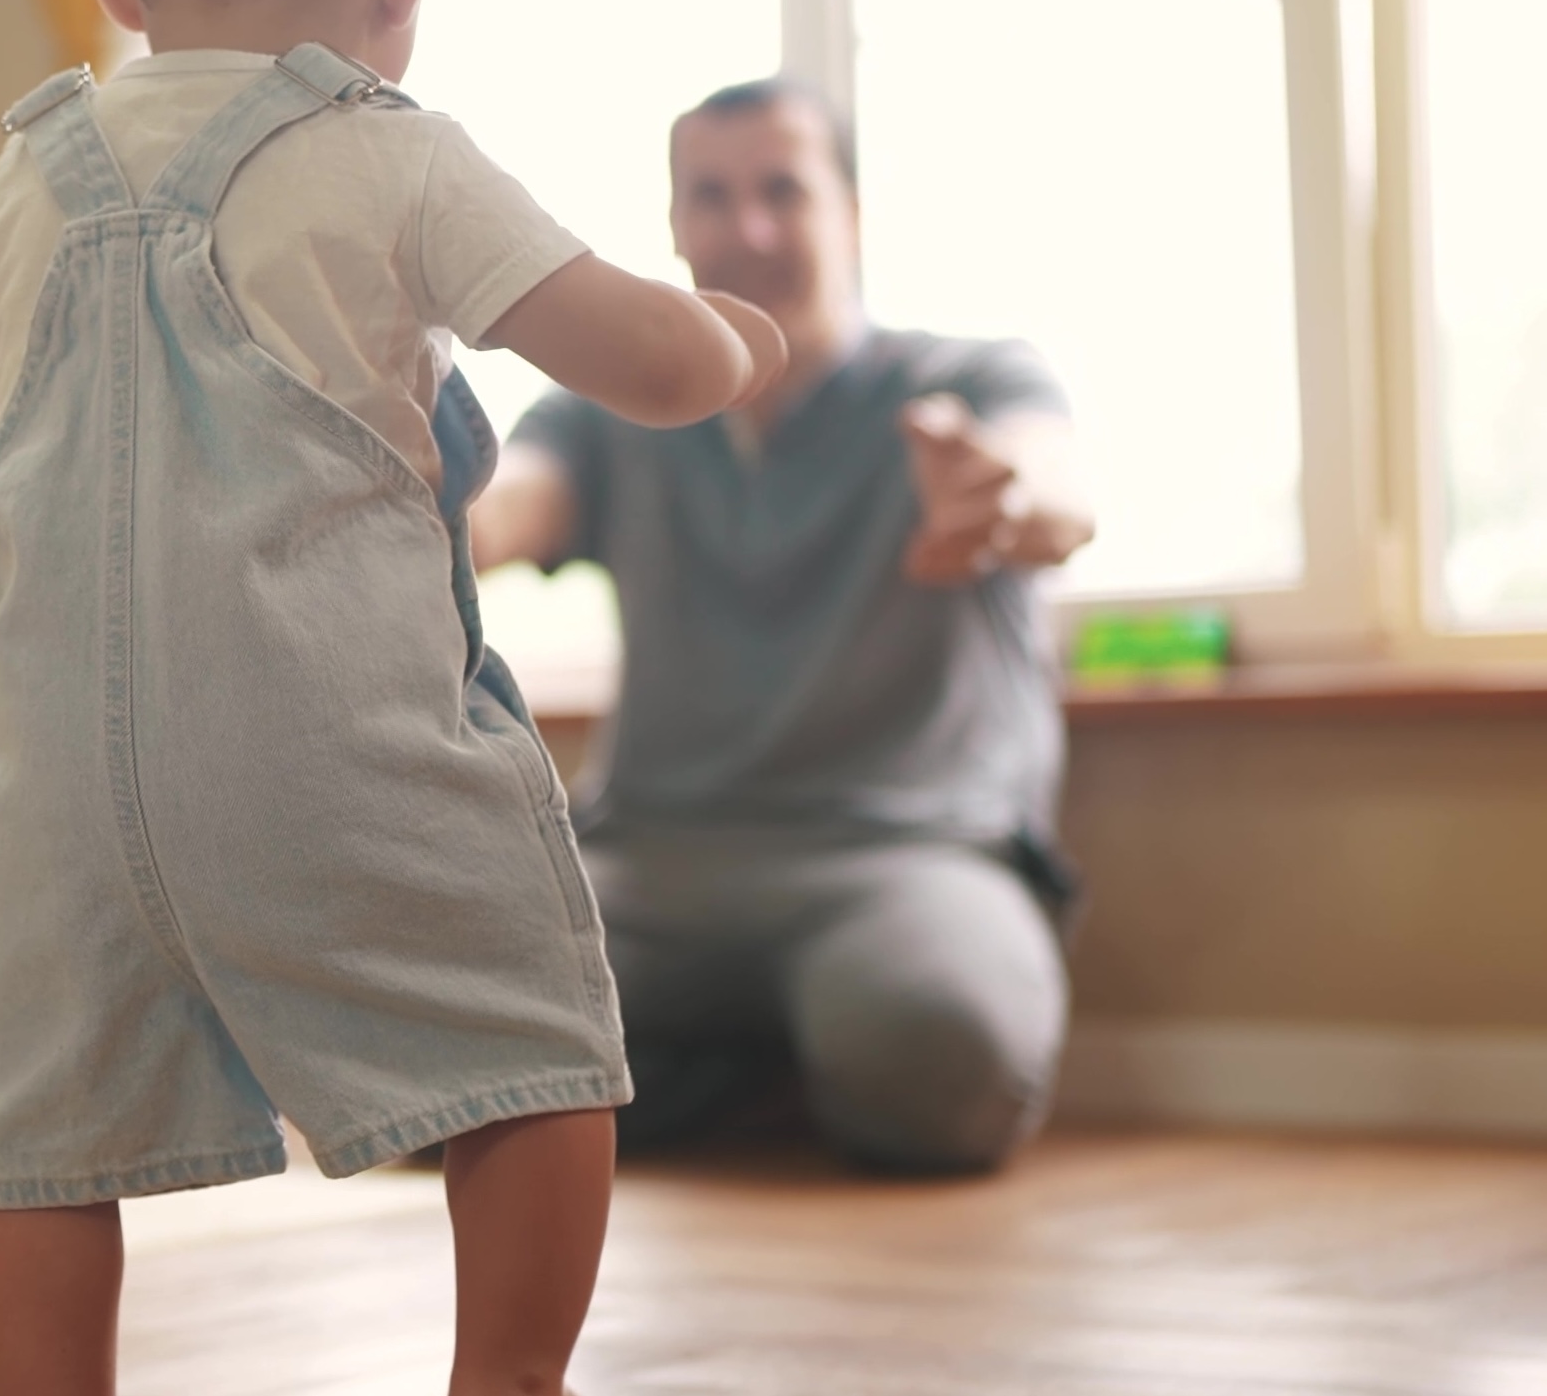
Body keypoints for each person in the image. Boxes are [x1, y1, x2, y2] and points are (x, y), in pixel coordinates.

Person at [0, 0, 786, 1396]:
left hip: (47, 795)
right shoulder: (390, 159)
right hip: (324, 748)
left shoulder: (27, 172)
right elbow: (650, 364)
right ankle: (503, 1374)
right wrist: (736, 339)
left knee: (35, 1125)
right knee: (532, 1039)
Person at [469, 77, 1096, 1177]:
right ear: (675, 225)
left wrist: (998, 499)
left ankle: (709, 1071)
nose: (747, 229)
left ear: (849, 212)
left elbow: (1054, 493)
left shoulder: (969, 379)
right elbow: (506, 506)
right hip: (649, 866)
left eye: (781, 191)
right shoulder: (606, 418)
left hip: (902, 857)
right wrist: (419, 504)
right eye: (711, 196)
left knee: (943, 1062)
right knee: (438, 1046)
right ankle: (770, 1072)